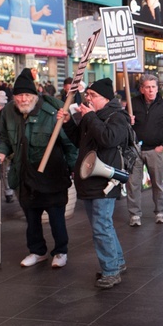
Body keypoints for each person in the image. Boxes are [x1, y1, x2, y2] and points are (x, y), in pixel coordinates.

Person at [0, 69, 77, 268]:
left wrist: (75, 168)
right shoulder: (8, 111)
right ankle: (37, 251)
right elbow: (5, 138)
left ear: (35, 95)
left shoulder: (53, 109)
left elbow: (69, 143)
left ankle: (60, 251)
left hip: (51, 172)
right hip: (24, 172)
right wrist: (1, 151)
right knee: (31, 217)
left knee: (56, 215)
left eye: (27, 95)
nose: (23, 99)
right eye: (19, 95)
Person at [58, 79, 129, 289]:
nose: (87, 99)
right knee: (103, 225)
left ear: (106, 99)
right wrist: (69, 123)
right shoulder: (95, 116)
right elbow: (80, 140)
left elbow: (108, 138)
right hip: (90, 180)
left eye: (92, 95)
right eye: (87, 94)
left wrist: (89, 117)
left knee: (101, 227)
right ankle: (117, 262)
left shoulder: (117, 117)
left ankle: (110, 271)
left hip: (104, 180)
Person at [128, 74, 163, 226]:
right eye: (147, 87)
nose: (151, 90)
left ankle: (160, 212)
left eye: (153, 87)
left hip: (155, 151)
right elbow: (123, 127)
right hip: (135, 150)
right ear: (142, 89)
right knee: (133, 184)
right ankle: (134, 214)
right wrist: (128, 120)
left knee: (158, 183)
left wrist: (161, 147)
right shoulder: (132, 104)